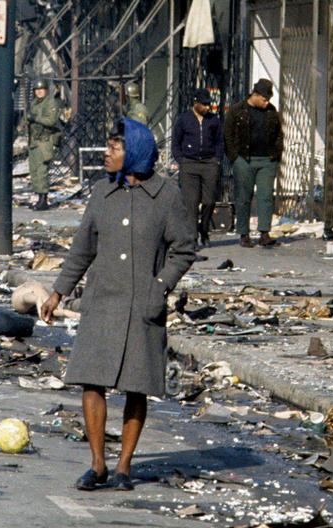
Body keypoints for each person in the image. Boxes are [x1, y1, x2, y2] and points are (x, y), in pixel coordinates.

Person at [40, 118, 196, 491]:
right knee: (91, 383)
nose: (107, 153)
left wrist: (160, 286)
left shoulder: (166, 195)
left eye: (115, 147)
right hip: (102, 303)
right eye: (108, 146)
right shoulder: (101, 194)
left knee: (136, 387)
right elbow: (82, 249)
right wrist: (58, 292)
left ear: (135, 152)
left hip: (143, 304)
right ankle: (97, 465)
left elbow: (184, 248)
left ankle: (124, 466)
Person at [224, 78, 284, 248]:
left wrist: (277, 155)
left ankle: (264, 233)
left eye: (268, 100)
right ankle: (244, 233)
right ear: (255, 95)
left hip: (267, 160)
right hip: (244, 159)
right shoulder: (238, 110)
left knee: (265, 196)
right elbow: (228, 135)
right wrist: (235, 157)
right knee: (243, 196)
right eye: (264, 100)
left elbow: (279, 134)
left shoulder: (271, 111)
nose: (267, 103)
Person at [171, 88, 223, 247]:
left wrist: (217, 159)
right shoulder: (184, 119)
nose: (208, 108)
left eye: (209, 104)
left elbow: (219, 141)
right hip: (190, 163)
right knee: (191, 203)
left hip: (209, 163)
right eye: (204, 104)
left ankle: (204, 229)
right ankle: (192, 238)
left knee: (209, 200)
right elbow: (176, 141)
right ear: (196, 103)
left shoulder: (213, 120)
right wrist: (181, 160)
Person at [27, 78, 62, 211]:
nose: (39, 92)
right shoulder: (34, 103)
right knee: (34, 172)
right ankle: (39, 198)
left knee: (42, 171)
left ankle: (43, 200)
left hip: (44, 141)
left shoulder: (50, 102)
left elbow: (51, 120)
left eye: (41, 90)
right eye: (37, 90)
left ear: (46, 90)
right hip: (34, 141)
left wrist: (35, 118)